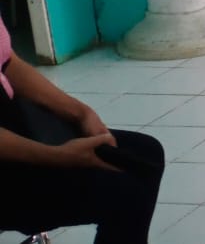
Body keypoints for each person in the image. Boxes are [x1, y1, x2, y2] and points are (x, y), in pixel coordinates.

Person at [0, 17, 165, 243]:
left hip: (15, 126)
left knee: (144, 153)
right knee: (125, 192)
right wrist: (57, 156)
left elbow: (7, 61)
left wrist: (82, 113)